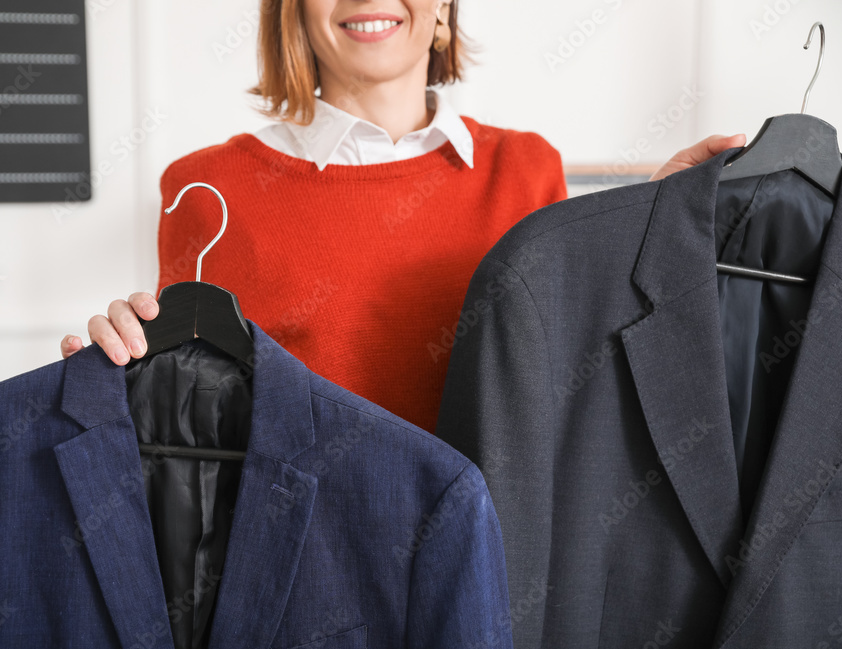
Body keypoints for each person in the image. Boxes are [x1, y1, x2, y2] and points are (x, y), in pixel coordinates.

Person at [61, 0, 744, 433]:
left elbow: (576, 372)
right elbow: (185, 417)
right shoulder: (206, 187)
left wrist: (644, 223)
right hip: (298, 579)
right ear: (293, 12)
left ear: (445, 11)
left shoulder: (528, 169)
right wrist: (112, 378)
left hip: (489, 566)